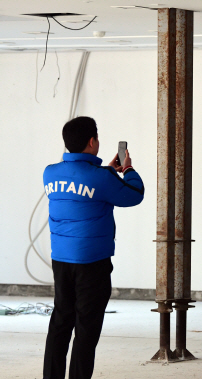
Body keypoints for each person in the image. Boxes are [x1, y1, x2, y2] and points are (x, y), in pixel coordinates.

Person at [42, 116, 144, 379]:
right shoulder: (101, 178)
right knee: (86, 328)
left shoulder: (50, 173)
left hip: (61, 260)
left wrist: (107, 172)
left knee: (61, 321)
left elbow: (82, 187)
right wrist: (128, 169)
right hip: (92, 262)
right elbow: (134, 194)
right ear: (92, 141)